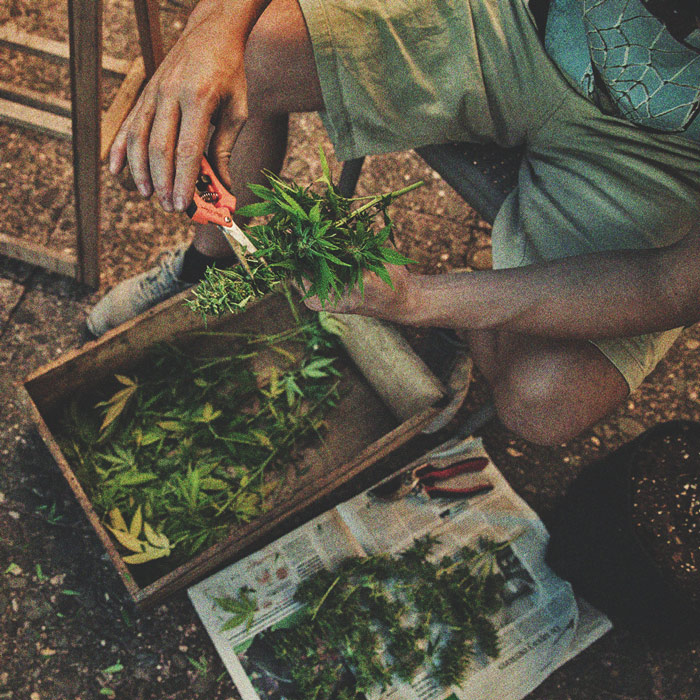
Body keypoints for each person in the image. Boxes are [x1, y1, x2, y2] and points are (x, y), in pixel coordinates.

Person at [87, 0, 700, 446]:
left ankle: (473, 319)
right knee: (255, 52)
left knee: (546, 399)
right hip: (521, 19)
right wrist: (213, 27)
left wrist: (421, 298)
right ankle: (211, 261)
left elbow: (673, 286)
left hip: (664, 150)